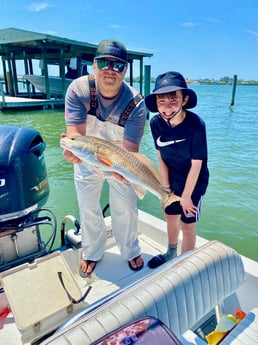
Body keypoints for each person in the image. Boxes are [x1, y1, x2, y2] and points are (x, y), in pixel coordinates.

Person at [63, 39, 146, 275]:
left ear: (125, 70)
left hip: (119, 160)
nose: (111, 70)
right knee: (87, 206)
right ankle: (92, 251)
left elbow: (129, 151)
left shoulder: (136, 104)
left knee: (126, 206)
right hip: (87, 156)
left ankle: (130, 250)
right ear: (94, 65)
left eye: (118, 66)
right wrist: (72, 151)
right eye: (104, 63)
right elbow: (75, 135)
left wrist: (121, 171)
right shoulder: (78, 90)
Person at [145, 71, 209, 268]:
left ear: (185, 99)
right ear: (155, 103)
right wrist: (165, 186)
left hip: (194, 181)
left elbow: (197, 163)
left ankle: (185, 264)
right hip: (171, 178)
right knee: (170, 216)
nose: (167, 107)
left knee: (187, 224)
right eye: (161, 101)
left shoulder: (196, 124)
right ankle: (171, 253)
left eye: (173, 100)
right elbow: (160, 155)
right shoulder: (155, 123)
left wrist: (188, 195)